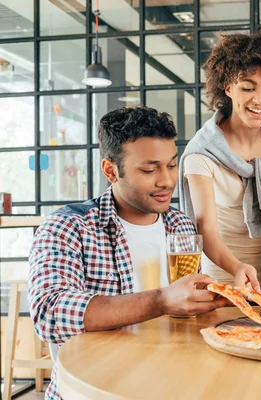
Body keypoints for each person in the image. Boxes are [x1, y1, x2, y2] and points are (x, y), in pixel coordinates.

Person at [28, 106, 227, 400]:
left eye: (172, 165)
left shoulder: (180, 224)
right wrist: (161, 300)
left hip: (173, 383)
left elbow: (185, 312)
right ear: (111, 170)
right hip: (94, 391)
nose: (166, 181)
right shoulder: (69, 226)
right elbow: (50, 313)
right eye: (149, 169)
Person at [179, 32, 261, 291]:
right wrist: (237, 269)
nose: (260, 100)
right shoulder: (201, 154)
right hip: (221, 279)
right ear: (228, 88)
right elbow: (206, 231)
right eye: (248, 88)